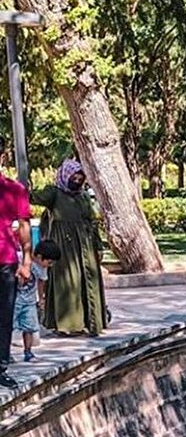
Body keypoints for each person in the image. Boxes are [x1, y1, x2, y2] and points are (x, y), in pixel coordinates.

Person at [33, 160, 109, 336]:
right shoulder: (54, 194)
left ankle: (90, 321)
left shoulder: (82, 196)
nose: (76, 181)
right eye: (73, 177)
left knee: (86, 281)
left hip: (85, 245)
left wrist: (98, 246)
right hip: (63, 246)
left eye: (80, 178)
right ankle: (68, 324)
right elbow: (34, 197)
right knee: (67, 281)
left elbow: (92, 221)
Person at [0, 168, 32, 390]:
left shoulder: (14, 189)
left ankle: (1, 368)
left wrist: (27, 261)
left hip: (5, 260)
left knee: (4, 316)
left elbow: (24, 225)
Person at [13, 239, 60, 362]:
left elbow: (41, 282)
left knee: (29, 327)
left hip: (29, 301)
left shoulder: (42, 268)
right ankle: (5, 352)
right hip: (14, 299)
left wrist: (41, 298)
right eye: (49, 262)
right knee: (8, 327)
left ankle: (28, 352)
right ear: (39, 257)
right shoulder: (21, 258)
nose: (49, 266)